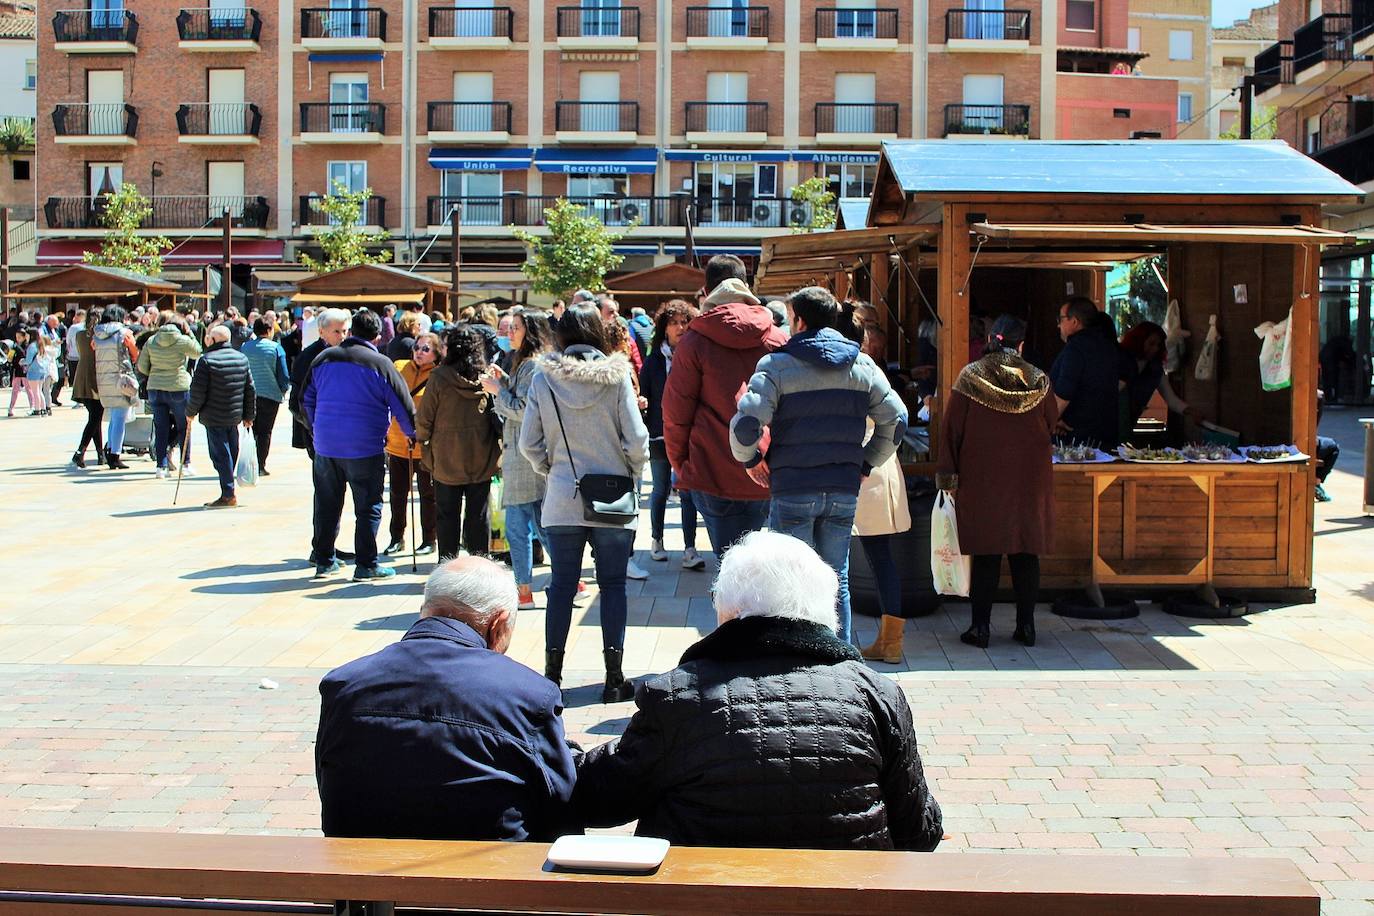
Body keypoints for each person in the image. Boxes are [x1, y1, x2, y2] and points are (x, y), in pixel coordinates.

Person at [572, 530, 943, 851]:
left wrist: (549, 740)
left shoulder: (677, 696)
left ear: (730, 612)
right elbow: (919, 833)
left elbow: (600, 798)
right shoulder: (877, 695)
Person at [316, 556, 579, 841]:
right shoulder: (530, 694)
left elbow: (330, 786)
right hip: (488, 877)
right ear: (498, 624)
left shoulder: (342, 684)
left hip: (358, 875)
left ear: (424, 611)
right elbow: (559, 805)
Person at [730, 287, 907, 644]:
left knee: (790, 580)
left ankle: (796, 661)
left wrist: (750, 460)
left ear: (799, 319)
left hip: (793, 486)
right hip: (843, 487)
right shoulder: (862, 365)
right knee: (834, 579)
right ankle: (839, 660)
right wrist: (868, 461)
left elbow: (747, 425)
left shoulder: (777, 365)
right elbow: (897, 420)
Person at [519, 303, 649, 701]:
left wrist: (552, 470)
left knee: (560, 586)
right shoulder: (617, 378)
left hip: (563, 495)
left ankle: (551, 677)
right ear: (598, 333)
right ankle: (613, 679)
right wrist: (629, 470)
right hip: (613, 496)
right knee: (612, 586)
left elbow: (529, 443)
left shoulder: (544, 379)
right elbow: (638, 440)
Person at [937, 315, 1056, 649]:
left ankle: (981, 628)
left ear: (990, 338)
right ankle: (1027, 627)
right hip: (1029, 482)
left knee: (987, 554)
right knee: (1025, 552)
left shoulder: (970, 377)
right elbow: (1051, 423)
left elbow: (951, 432)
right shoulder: (1039, 380)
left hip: (982, 478)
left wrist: (948, 477)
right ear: (1021, 344)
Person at [663, 257, 787, 556]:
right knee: (763, 566)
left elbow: (676, 411)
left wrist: (682, 465)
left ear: (706, 291)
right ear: (747, 286)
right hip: (767, 467)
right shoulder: (778, 337)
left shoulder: (694, 340)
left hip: (711, 467)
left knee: (728, 566)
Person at [302, 308, 416, 581]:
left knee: (326, 503)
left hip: (326, 445)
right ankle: (366, 564)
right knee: (368, 506)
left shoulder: (323, 358)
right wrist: (412, 435)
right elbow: (402, 405)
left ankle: (324, 559)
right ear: (377, 336)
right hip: (365, 446)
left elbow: (304, 399)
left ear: (351, 332)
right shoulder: (381, 363)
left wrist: (316, 427)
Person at [839, 316, 915, 665]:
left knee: (838, 561)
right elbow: (898, 418)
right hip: (877, 465)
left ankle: (873, 642)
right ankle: (891, 642)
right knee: (879, 558)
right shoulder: (869, 367)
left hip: (861, 468)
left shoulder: (849, 367)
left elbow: (896, 417)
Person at [482, 309, 556, 609]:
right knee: (537, 524)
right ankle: (558, 580)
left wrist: (499, 391)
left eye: (515, 328)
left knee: (523, 525)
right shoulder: (524, 363)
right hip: (523, 455)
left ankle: (525, 589)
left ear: (531, 331)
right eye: (508, 327)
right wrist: (505, 383)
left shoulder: (533, 365)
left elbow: (525, 409)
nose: (509, 333)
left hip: (526, 457)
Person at [415, 326, 500, 562]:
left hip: (446, 458)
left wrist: (422, 442)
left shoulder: (440, 378)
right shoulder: (486, 379)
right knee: (478, 516)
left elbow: (425, 418)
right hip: (481, 455)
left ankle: (447, 566)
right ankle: (480, 565)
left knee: (446, 515)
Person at [640, 299, 705, 571]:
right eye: (674, 322)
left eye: (684, 322)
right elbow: (644, 392)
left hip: (689, 433)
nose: (680, 327)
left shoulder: (696, 356)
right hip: (659, 433)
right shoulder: (654, 361)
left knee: (688, 491)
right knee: (660, 489)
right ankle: (657, 540)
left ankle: (690, 548)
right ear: (663, 328)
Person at [383, 331, 440, 557]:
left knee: (428, 496)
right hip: (398, 444)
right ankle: (397, 537)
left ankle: (429, 539)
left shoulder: (438, 375)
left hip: (425, 447)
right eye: (417, 347)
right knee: (397, 495)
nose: (419, 352)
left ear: (436, 353)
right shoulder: (399, 366)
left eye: (426, 349)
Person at [187, 326, 255, 509]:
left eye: (209, 337)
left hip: (213, 415)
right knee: (231, 451)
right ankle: (228, 488)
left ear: (214, 339)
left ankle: (228, 494)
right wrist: (249, 415)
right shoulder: (241, 358)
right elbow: (250, 389)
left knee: (221, 455)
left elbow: (197, 391)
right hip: (234, 415)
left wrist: (190, 412)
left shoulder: (206, 361)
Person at [136, 311, 202, 479]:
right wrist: (190, 333)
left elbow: (142, 367)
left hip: (156, 388)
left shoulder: (152, 341)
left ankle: (161, 467)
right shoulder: (182, 340)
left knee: (161, 428)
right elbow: (197, 351)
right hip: (178, 386)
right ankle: (185, 464)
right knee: (184, 427)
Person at [1050, 296, 1120, 449]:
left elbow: (1063, 393)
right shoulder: (1108, 347)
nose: (1058, 325)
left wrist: (1048, 422)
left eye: (1061, 319)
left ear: (1074, 321)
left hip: (1075, 437)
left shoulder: (1076, 348)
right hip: (1106, 431)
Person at [1118, 321, 1200, 438]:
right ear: (1139, 341)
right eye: (1151, 344)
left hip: (1129, 421)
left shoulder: (1154, 369)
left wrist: (1190, 411)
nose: (1156, 349)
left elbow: (1170, 399)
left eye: (1159, 345)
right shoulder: (1121, 361)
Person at [289, 308, 350, 460]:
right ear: (322, 332)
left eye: (345, 331)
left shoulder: (348, 352)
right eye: (336, 332)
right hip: (319, 428)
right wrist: (313, 427)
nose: (342, 336)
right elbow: (297, 400)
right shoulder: (309, 356)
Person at [91, 305, 140, 470]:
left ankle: (111, 449)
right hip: (121, 378)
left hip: (103, 378)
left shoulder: (97, 335)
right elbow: (135, 352)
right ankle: (115, 455)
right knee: (120, 418)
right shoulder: (124, 333)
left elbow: (93, 349)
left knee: (114, 416)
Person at [241, 317, 290, 477]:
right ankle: (261, 465)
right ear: (269, 331)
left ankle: (250, 462)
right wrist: (283, 390)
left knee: (251, 430)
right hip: (270, 394)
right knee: (265, 431)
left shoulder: (245, 347)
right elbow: (283, 374)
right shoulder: (276, 348)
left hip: (248, 394)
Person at [70, 314, 104, 468]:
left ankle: (99, 453)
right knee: (96, 417)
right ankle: (80, 451)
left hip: (82, 375)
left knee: (94, 416)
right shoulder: (100, 336)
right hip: (95, 376)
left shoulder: (79, 335)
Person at [24, 332, 56, 417]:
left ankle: (37, 410)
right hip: (42, 370)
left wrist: (22, 361)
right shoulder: (40, 344)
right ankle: (43, 409)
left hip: (34, 370)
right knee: (39, 391)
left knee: (35, 391)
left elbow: (28, 360)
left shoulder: (31, 346)